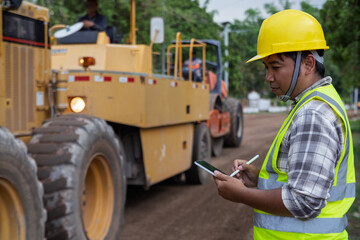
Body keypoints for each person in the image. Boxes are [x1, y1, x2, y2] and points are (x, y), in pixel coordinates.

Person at [213, 9, 355, 239]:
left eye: (275, 67)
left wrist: (240, 194)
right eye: (266, 68)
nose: (268, 77)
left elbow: (304, 201)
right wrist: (258, 178)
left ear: (308, 64)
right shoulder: (311, 104)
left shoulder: (313, 114)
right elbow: (307, 179)